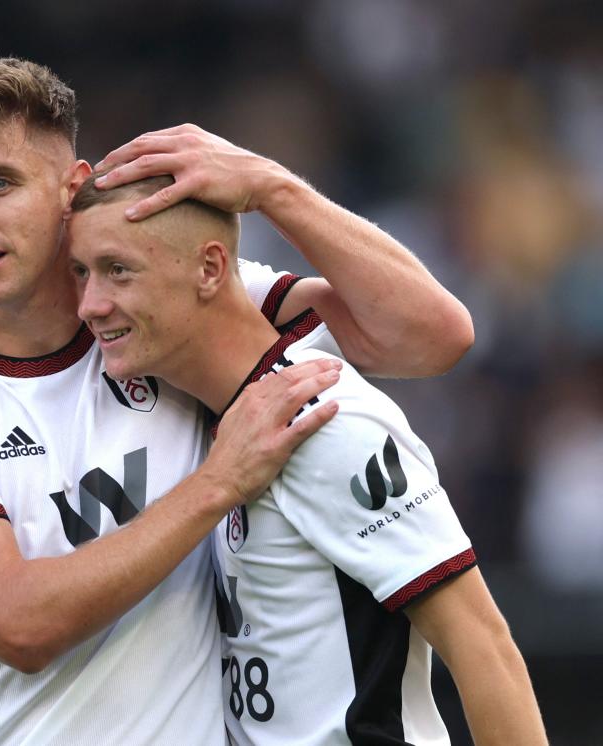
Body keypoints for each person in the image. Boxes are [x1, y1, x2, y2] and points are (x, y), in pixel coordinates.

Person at [0, 57, 473, 744]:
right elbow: (19, 625)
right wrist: (217, 482)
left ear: (71, 188)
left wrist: (269, 187)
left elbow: (431, 336)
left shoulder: (162, 313)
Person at [56, 169, 547, 744]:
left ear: (211, 269)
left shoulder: (325, 421)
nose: (90, 304)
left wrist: (267, 183)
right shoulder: (209, 415)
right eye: (81, 273)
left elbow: (483, 646)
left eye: (118, 271)